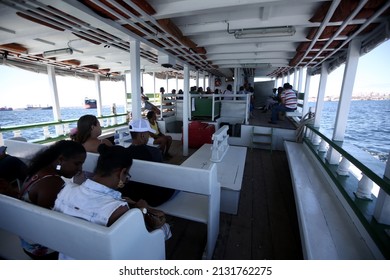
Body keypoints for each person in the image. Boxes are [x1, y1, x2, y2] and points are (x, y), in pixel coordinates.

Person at [53, 144, 171, 259]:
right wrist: (142, 210)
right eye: (127, 176)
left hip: (67, 257)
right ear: (121, 173)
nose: (125, 180)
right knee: (164, 230)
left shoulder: (66, 190)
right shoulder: (117, 209)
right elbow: (135, 243)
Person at [19, 140, 86, 260]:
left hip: (27, 240)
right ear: (60, 160)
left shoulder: (39, 171)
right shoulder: (52, 183)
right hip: (41, 247)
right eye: (77, 164)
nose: (80, 169)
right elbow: (53, 223)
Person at [121, 118, 176, 206]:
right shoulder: (154, 152)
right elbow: (161, 175)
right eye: (148, 133)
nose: (148, 136)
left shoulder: (123, 153)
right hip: (153, 198)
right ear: (142, 135)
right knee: (178, 184)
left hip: (132, 194)